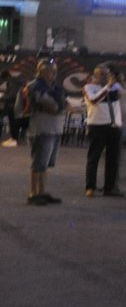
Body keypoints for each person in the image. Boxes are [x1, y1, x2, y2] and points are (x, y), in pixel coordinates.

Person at [23, 58, 65, 206]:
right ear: (42, 71)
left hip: (54, 128)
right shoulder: (36, 86)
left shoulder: (53, 86)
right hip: (41, 128)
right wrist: (60, 107)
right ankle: (33, 193)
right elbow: (50, 105)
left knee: (45, 163)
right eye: (51, 70)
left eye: (55, 70)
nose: (54, 73)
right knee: (38, 162)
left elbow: (59, 105)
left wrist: (59, 107)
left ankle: (42, 191)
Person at [83, 63, 126, 197]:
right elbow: (93, 100)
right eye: (102, 74)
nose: (106, 77)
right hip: (97, 125)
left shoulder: (114, 87)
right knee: (94, 157)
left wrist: (121, 81)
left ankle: (110, 187)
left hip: (113, 126)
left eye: (107, 74)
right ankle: (90, 186)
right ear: (95, 75)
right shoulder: (89, 87)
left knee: (113, 159)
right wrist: (107, 87)